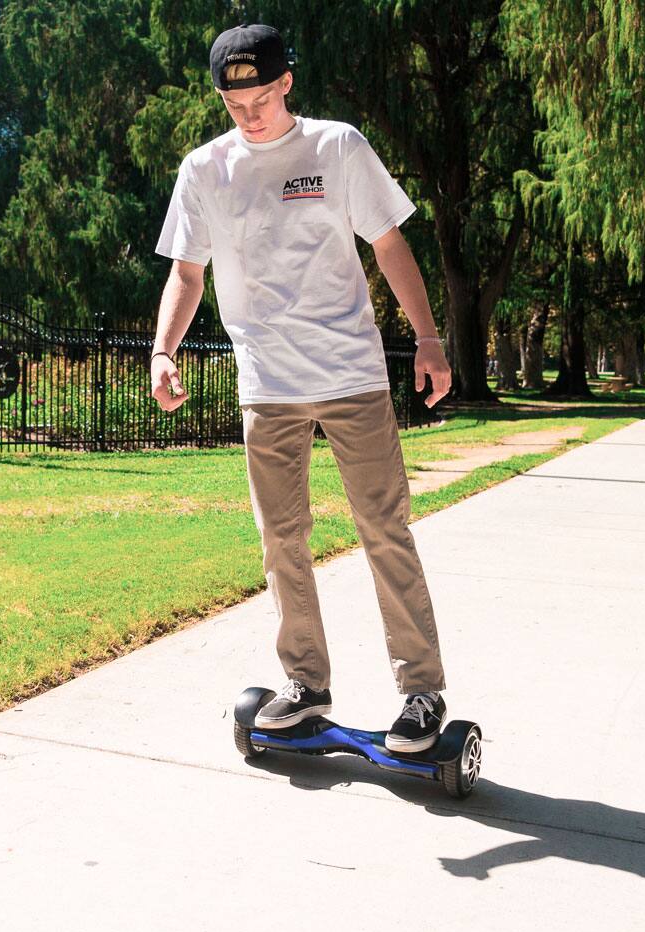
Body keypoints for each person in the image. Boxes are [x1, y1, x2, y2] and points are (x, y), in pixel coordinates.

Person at [149, 24, 453, 753]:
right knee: (282, 540)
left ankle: (421, 691)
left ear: (287, 82)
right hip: (268, 385)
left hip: (351, 375)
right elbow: (188, 273)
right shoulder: (204, 170)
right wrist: (164, 348)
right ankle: (306, 684)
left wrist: (430, 337)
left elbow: (388, 243)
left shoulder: (336, 147)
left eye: (259, 97)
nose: (248, 114)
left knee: (384, 530)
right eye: (233, 102)